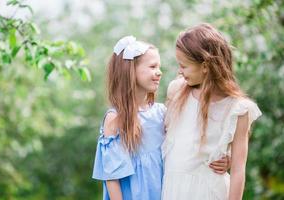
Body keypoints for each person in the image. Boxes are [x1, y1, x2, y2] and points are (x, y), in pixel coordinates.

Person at [92, 35, 230, 200]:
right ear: (130, 70)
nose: (159, 72)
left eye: (159, 67)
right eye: (152, 66)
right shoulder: (115, 119)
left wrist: (225, 159)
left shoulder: (161, 113)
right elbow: (112, 177)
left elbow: (188, 144)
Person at [161, 23, 262, 200]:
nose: (179, 71)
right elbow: (167, 140)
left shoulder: (238, 109)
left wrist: (227, 158)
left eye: (184, 66)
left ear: (205, 66)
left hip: (210, 192)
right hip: (173, 190)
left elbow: (239, 170)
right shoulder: (176, 91)